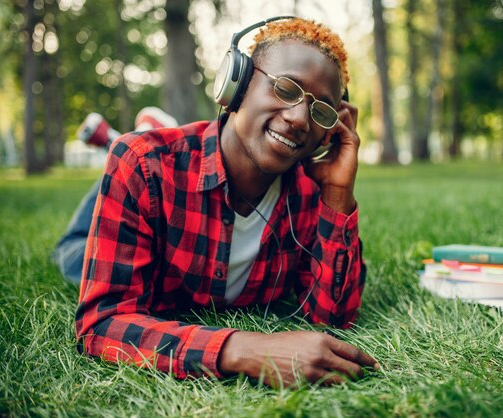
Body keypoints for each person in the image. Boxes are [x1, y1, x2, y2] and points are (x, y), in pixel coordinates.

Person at [58, 16, 377, 387]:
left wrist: (339, 194)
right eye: (286, 89)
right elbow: (102, 323)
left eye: (320, 109)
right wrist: (245, 350)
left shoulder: (309, 192)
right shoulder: (142, 163)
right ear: (237, 85)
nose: (299, 118)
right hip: (150, 176)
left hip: (168, 166)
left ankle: (154, 129)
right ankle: (145, 135)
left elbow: (332, 319)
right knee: (72, 257)